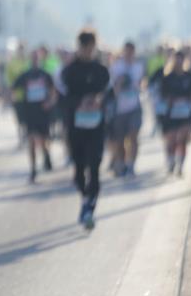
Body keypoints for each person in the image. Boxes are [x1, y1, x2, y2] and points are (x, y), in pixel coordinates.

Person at [60, 29, 111, 230]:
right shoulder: (69, 71)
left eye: (91, 48)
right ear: (79, 47)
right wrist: (79, 102)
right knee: (79, 171)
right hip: (76, 126)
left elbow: (110, 94)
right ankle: (84, 198)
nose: (89, 52)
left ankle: (90, 207)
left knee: (95, 166)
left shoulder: (101, 70)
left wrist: (99, 100)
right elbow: (62, 98)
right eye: (85, 48)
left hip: (97, 125)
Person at [12, 48, 57, 183]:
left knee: (44, 140)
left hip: (43, 112)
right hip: (30, 112)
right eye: (33, 58)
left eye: (37, 58)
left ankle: (46, 154)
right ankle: (33, 169)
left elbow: (54, 92)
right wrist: (16, 103)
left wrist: (49, 103)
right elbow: (13, 89)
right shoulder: (25, 75)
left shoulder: (45, 75)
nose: (35, 61)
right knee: (31, 141)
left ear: (40, 60)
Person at [160, 49, 191, 177]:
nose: (179, 62)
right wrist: (171, 100)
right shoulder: (167, 78)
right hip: (171, 113)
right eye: (176, 59)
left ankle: (181, 166)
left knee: (183, 140)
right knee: (172, 140)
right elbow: (162, 95)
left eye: (181, 59)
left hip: (186, 113)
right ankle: (171, 161)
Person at [108, 41, 144, 177]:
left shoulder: (138, 67)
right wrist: (120, 81)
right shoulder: (116, 67)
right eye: (126, 51)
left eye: (131, 51)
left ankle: (131, 165)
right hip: (119, 109)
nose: (129, 54)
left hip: (134, 106)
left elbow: (141, 84)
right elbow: (113, 88)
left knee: (134, 136)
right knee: (120, 140)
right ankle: (121, 163)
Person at [4, 41, 30, 148]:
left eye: (22, 49)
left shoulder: (28, 61)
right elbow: (9, 79)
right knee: (19, 118)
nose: (21, 51)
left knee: (28, 117)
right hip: (17, 95)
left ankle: (27, 136)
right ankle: (21, 137)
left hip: (29, 96)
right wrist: (11, 93)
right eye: (19, 49)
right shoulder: (12, 63)